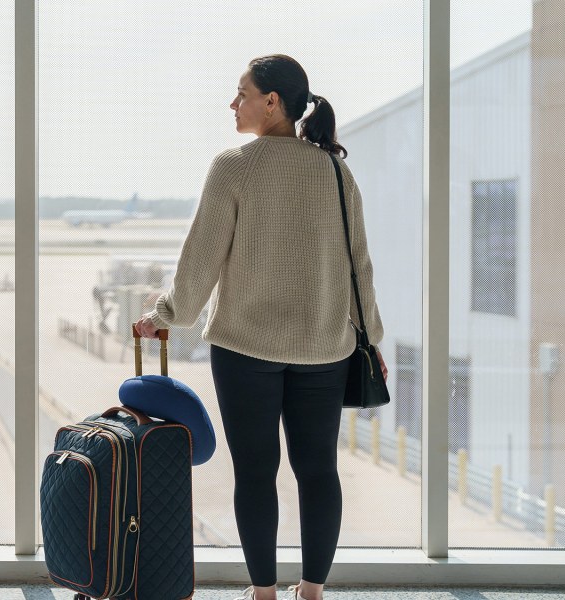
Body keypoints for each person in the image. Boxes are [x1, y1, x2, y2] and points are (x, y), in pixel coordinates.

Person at [134, 54, 388, 600]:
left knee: (255, 473)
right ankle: (313, 590)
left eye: (242, 93)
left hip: (245, 346)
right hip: (325, 346)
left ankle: (264, 593)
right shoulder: (335, 171)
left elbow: (201, 258)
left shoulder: (234, 166)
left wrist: (165, 317)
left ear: (272, 102)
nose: (233, 103)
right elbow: (358, 263)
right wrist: (371, 339)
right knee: (318, 470)